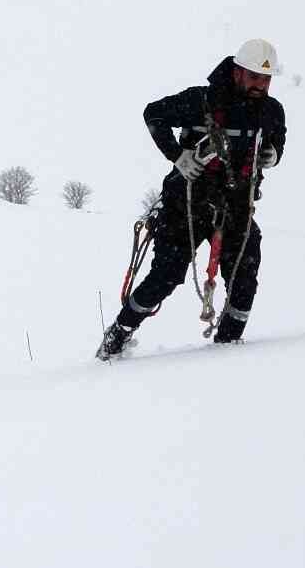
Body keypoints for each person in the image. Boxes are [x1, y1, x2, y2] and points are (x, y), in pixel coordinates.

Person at [97, 39, 288, 359]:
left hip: (236, 208)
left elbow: (277, 137)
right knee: (166, 277)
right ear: (238, 72)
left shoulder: (271, 111)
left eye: (266, 79)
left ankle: (227, 351)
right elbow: (153, 114)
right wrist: (177, 156)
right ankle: (117, 337)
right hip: (185, 204)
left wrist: (273, 154)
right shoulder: (201, 100)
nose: (261, 85)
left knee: (244, 280)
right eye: (255, 77)